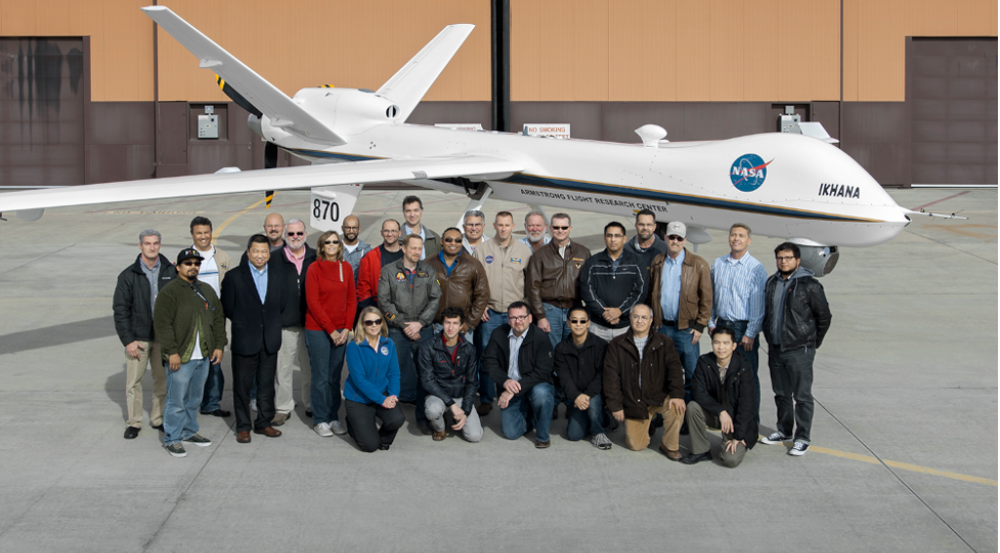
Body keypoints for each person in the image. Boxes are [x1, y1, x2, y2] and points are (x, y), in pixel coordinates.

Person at [759, 242, 832, 456]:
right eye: (780, 258)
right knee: (781, 393)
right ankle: (784, 431)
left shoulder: (810, 285)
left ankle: (802, 438)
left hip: (799, 349)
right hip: (776, 347)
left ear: (797, 260)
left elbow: (824, 317)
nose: (783, 261)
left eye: (788, 258)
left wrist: (811, 342)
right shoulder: (772, 282)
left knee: (802, 396)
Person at [153, 248, 226, 457]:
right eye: (188, 263)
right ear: (178, 267)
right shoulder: (170, 291)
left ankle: (188, 431)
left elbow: (218, 319)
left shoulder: (206, 290)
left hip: (203, 356)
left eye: (196, 263)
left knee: (194, 399)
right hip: (181, 358)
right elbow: (162, 324)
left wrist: (219, 345)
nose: (193, 266)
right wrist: (171, 352)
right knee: (176, 401)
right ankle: (172, 438)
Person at [221, 235, 286, 444]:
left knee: (267, 385)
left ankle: (264, 422)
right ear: (248, 252)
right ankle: (243, 426)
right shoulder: (233, 277)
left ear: (269, 253)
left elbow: (281, 305)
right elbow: (228, 308)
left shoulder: (278, 274)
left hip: (269, 339)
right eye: (256, 251)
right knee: (242, 386)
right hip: (245, 338)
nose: (260, 255)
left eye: (264, 251)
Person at [113, 229, 177, 439]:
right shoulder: (128, 276)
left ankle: (158, 419)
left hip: (163, 337)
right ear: (140, 246)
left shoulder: (171, 271)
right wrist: (128, 340)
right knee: (134, 382)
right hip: (138, 338)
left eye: (156, 243)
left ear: (160, 245)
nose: (152, 247)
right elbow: (120, 310)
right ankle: (134, 422)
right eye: (147, 243)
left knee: (162, 380)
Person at [603, 304, 686, 460]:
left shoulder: (664, 342)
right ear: (630, 319)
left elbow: (675, 369)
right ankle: (648, 423)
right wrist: (615, 405)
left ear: (651, 321)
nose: (639, 321)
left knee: (677, 407)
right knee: (636, 445)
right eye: (636, 317)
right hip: (634, 401)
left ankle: (669, 445)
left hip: (659, 397)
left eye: (644, 317)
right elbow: (610, 378)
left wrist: (677, 394)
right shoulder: (617, 344)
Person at [378, 234, 442, 434]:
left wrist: (420, 323)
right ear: (403, 248)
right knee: (393, 374)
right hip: (397, 331)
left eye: (419, 248)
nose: (417, 252)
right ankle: (391, 414)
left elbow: (435, 299)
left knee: (425, 374)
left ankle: (422, 418)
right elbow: (384, 301)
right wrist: (403, 324)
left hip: (423, 331)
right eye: (413, 248)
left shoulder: (429, 271)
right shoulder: (388, 271)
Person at [473, 211, 533, 416]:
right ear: (494, 226)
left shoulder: (524, 251)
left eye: (507, 225)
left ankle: (514, 394)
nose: (503, 229)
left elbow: (530, 283)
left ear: (513, 226)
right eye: (500, 225)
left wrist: (524, 311)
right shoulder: (481, 250)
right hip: (489, 314)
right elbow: (474, 282)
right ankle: (487, 398)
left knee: (516, 356)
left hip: (514, 315)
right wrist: (479, 307)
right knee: (487, 357)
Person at [709, 223, 768, 419]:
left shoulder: (756, 268)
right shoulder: (718, 264)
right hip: (722, 325)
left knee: (747, 377)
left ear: (748, 240)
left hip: (743, 329)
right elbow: (711, 297)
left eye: (741, 236)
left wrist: (751, 333)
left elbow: (758, 304)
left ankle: (751, 420)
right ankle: (727, 417)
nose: (736, 238)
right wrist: (711, 323)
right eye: (733, 235)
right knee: (723, 375)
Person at [649, 222, 713, 393]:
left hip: (686, 330)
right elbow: (652, 293)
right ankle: (663, 415)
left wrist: (700, 326)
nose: (675, 241)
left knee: (692, 376)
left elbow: (707, 299)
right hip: (662, 327)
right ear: (665, 238)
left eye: (679, 238)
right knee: (660, 373)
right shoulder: (657, 262)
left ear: (685, 240)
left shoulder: (699, 264)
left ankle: (689, 416)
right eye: (672, 237)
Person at [482, 301, 556, 448]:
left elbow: (544, 371)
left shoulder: (541, 337)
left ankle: (542, 436)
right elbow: (488, 362)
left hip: (534, 385)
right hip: (510, 385)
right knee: (511, 433)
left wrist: (516, 388)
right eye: (513, 318)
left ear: (530, 318)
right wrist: (505, 382)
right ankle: (530, 418)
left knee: (541, 394)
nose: (518, 321)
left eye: (522, 317)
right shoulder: (498, 334)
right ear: (508, 319)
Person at [682, 327, 758, 467]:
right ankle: (701, 450)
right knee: (693, 406)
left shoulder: (743, 366)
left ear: (734, 346)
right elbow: (697, 392)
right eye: (717, 342)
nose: (721, 347)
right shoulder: (705, 362)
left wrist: (739, 436)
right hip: (716, 414)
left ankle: (734, 441)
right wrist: (721, 411)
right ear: (712, 344)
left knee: (730, 460)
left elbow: (747, 405)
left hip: (736, 421)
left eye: (726, 343)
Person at [305, 231, 356, 437]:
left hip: (341, 332)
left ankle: (333, 417)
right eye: (328, 242)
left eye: (336, 241)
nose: (332, 244)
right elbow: (313, 303)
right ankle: (320, 419)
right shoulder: (314, 269)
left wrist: (346, 328)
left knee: (335, 377)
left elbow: (352, 299)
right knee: (320, 376)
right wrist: (331, 330)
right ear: (321, 245)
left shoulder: (347, 268)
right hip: (319, 329)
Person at [271, 218, 316, 424]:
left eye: (299, 233)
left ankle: (310, 404)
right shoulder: (275, 258)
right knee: (284, 367)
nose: (295, 237)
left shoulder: (316, 256)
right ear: (285, 236)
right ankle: (283, 406)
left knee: (309, 367)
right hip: (285, 324)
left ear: (305, 235)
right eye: (291, 234)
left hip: (310, 323)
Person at [343, 306, 405, 452]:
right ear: (362, 325)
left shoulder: (388, 344)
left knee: (397, 419)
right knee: (369, 446)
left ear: (382, 323)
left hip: (381, 394)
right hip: (359, 398)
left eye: (377, 321)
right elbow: (359, 380)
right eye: (369, 322)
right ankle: (352, 422)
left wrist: (393, 395)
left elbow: (394, 373)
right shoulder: (354, 346)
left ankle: (382, 440)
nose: (374, 325)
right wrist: (382, 400)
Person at [417, 307, 483, 442]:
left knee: (475, 437)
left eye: (455, 323)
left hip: (461, 395)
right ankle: (440, 428)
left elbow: (472, 382)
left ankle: (458, 415)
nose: (450, 327)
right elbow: (427, 380)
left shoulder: (469, 349)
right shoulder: (427, 346)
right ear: (442, 324)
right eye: (447, 323)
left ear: (461, 326)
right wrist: (452, 404)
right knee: (432, 410)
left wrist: (466, 409)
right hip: (438, 394)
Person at [526, 212, 590, 348]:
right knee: (550, 350)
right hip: (550, 310)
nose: (560, 231)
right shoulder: (540, 255)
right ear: (550, 228)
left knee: (574, 350)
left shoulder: (583, 252)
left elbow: (590, 284)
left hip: (575, 309)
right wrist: (541, 316)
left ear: (570, 228)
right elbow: (533, 287)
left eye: (564, 227)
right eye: (556, 227)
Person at [189, 216, 232, 419]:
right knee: (192, 360)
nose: (203, 236)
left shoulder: (222, 257)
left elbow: (229, 287)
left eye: (206, 232)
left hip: (216, 317)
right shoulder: (185, 257)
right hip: (192, 318)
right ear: (192, 235)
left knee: (215, 360)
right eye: (199, 233)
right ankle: (190, 403)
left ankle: (211, 403)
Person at [553, 307, 611, 449]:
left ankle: (598, 432)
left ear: (588, 323)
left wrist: (586, 395)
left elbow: (601, 375)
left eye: (582, 321)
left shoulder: (601, 345)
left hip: (594, 394)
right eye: (574, 321)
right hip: (575, 397)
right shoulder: (561, 349)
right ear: (568, 323)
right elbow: (564, 378)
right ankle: (597, 419)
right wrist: (576, 396)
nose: (578, 324)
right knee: (573, 435)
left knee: (593, 401)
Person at [580, 221, 645, 341]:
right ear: (604, 238)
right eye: (609, 236)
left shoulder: (636, 262)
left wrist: (620, 311)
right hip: (598, 326)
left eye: (617, 236)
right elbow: (587, 290)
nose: (613, 239)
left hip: (625, 326)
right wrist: (603, 313)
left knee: (624, 359)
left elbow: (640, 291)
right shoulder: (593, 262)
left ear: (624, 238)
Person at [426, 227, 489, 342]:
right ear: (441, 241)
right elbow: (420, 295)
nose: (453, 243)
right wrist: (428, 322)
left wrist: (469, 323)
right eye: (448, 240)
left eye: (457, 240)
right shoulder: (427, 264)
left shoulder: (473, 265)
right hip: (436, 326)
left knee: (463, 359)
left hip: (463, 326)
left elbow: (482, 295)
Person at [623, 209, 669, 306]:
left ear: (654, 226)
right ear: (636, 225)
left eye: (649, 225)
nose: (645, 228)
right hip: (631, 305)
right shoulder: (625, 250)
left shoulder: (665, 249)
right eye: (641, 224)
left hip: (657, 306)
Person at [356, 219, 403, 310]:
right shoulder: (370, 257)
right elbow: (363, 288)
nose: (390, 234)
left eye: (393, 231)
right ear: (381, 233)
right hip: (379, 310)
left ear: (399, 233)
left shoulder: (408, 256)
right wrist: (371, 312)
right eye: (386, 231)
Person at [401, 195, 441, 260]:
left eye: (416, 210)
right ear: (403, 213)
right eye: (408, 211)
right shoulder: (395, 239)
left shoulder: (435, 239)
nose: (412, 214)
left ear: (422, 212)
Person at [341, 215, 371, 287]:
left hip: (358, 296)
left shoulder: (367, 251)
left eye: (354, 228)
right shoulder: (334, 249)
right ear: (342, 228)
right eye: (348, 228)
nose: (351, 231)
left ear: (359, 228)